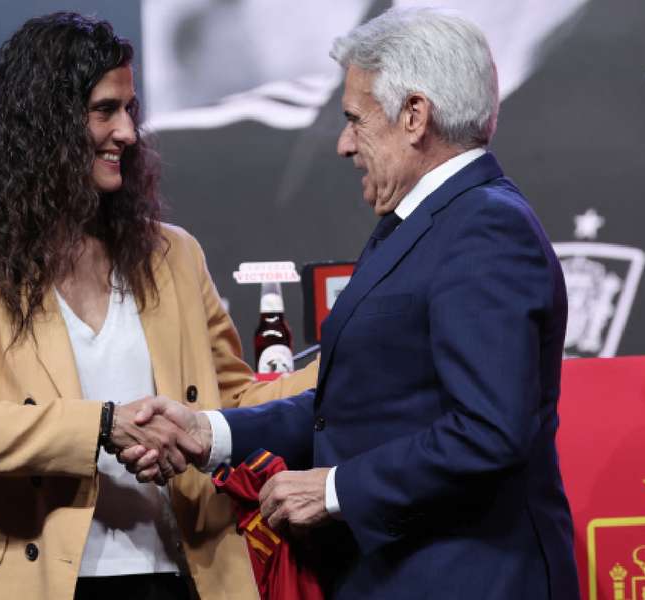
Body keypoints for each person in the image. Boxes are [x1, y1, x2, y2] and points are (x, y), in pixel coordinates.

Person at [124, 7, 581, 599]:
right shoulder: (420, 221)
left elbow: (488, 431)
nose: (342, 144)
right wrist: (208, 433)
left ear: (415, 115)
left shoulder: (485, 229)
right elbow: (357, 405)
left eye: (354, 119)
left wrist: (334, 490)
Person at [0, 12, 315, 600]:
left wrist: (344, 361)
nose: (126, 132)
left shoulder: (174, 254)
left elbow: (237, 401)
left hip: (179, 576)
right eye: (105, 111)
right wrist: (101, 427)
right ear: (44, 122)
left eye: (131, 111)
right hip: (30, 581)